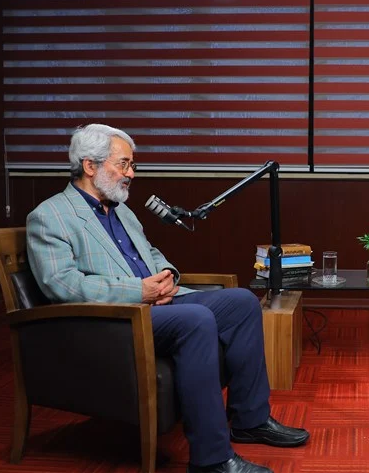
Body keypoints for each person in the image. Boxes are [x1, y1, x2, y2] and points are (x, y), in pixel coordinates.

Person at [27, 124, 309, 473]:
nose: (131, 173)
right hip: (114, 319)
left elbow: (151, 252)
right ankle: (211, 460)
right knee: (196, 320)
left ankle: (250, 420)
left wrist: (167, 276)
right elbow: (62, 285)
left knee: (242, 303)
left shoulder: (121, 210)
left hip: (158, 303)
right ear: (90, 165)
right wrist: (139, 290)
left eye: (132, 165)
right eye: (124, 164)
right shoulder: (50, 216)